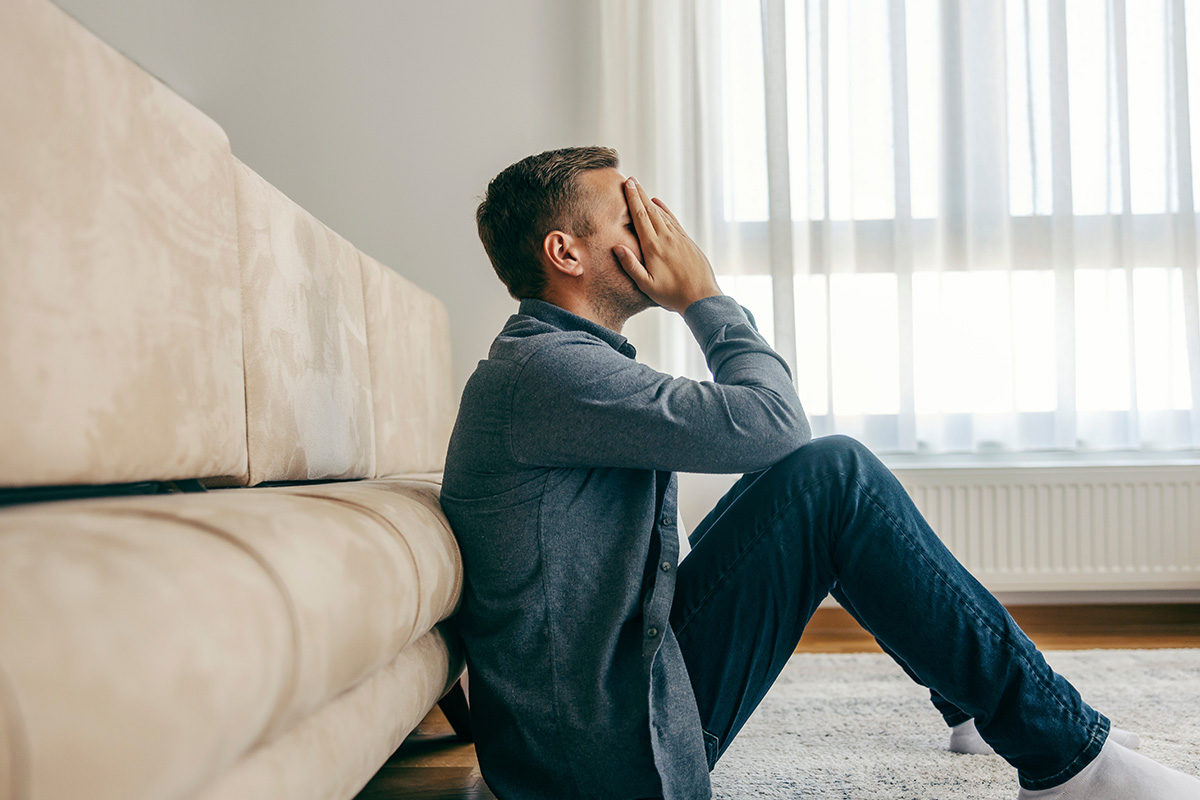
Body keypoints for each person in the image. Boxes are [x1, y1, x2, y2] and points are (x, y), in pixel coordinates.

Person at [439, 146, 1200, 800]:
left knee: (810, 478)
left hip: (601, 712)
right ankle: (1065, 757)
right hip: (601, 758)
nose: (660, 232)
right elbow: (771, 422)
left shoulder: (554, 366)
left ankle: (979, 702)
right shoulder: (551, 373)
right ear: (565, 252)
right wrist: (704, 296)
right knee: (829, 476)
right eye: (631, 216)